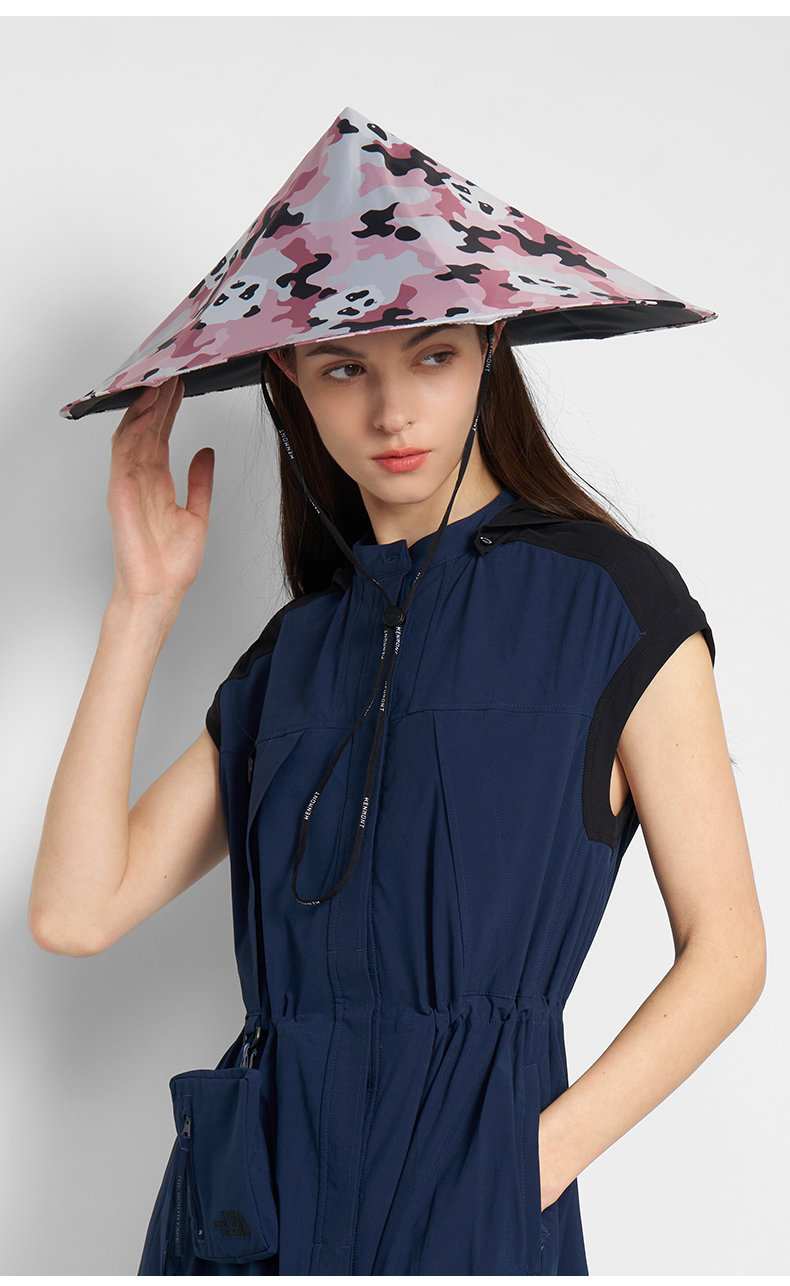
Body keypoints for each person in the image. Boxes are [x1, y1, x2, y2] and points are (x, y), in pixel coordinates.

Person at [32, 108, 765, 1276]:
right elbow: (76, 911)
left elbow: (726, 949)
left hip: (470, 1195)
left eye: (431, 356)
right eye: (344, 368)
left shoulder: (610, 606)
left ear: (488, 347)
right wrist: (142, 605)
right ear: (290, 380)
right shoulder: (291, 653)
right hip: (250, 1205)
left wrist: (530, 1159)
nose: (390, 412)